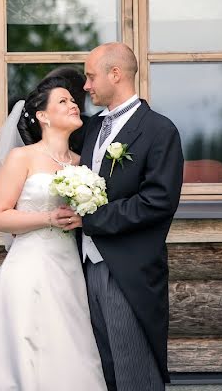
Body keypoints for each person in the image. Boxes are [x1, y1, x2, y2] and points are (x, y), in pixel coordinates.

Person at [0, 76, 107, 391]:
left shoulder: (81, 163)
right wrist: (48, 217)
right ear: (43, 117)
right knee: (22, 348)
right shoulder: (22, 157)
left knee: (68, 345)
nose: (74, 104)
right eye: (63, 101)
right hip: (29, 266)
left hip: (69, 267)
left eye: (74, 101)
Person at [69, 42, 184, 391]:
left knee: (135, 374)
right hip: (87, 266)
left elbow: (158, 201)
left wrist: (91, 220)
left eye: (91, 77)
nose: (86, 86)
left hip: (128, 271)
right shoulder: (91, 129)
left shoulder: (159, 131)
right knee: (103, 371)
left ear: (115, 74)